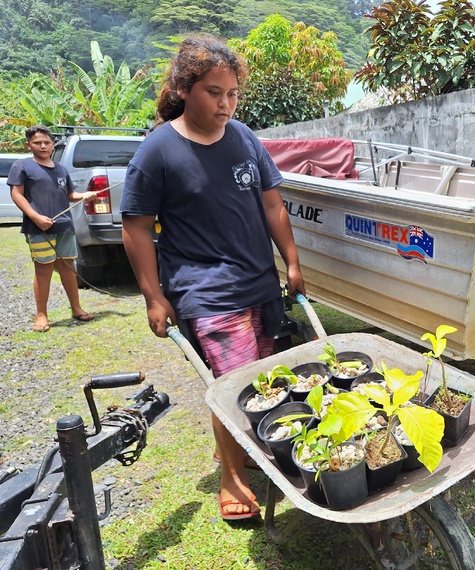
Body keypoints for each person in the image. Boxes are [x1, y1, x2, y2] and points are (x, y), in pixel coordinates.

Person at [120, 34, 305, 521]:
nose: (225, 104)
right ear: (184, 89)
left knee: (264, 378)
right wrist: (152, 296)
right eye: (213, 92)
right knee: (235, 384)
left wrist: (291, 261)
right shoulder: (158, 151)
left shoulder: (244, 137)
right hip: (205, 290)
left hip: (259, 282)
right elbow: (135, 227)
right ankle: (233, 476)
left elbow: (271, 203)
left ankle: (242, 449)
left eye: (232, 93)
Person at [8, 125, 98, 332]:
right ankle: (41, 315)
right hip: (38, 228)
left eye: (46, 142)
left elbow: (69, 195)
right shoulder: (21, 166)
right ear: (28, 145)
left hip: (65, 226)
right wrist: (36, 217)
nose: (42, 146)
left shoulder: (61, 169)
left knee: (68, 268)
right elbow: (17, 195)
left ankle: (76, 309)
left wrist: (84, 196)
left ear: (52, 144)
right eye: (37, 142)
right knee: (44, 270)